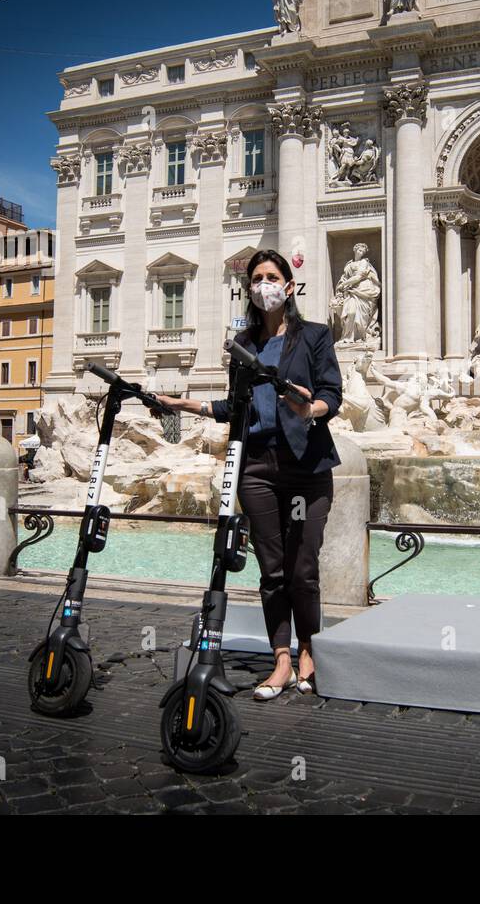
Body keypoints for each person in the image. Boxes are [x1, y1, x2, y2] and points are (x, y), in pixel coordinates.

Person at [152, 249, 343, 700]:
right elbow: (234, 406)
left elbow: (331, 394)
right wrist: (189, 406)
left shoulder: (314, 335)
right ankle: (281, 657)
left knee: (304, 569)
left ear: (289, 286)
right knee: (272, 569)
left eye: (271, 277)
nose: (263, 285)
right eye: (256, 279)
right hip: (256, 467)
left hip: (305, 465)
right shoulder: (244, 347)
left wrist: (309, 406)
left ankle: (309, 651)